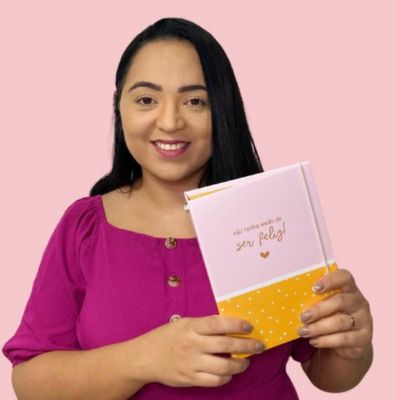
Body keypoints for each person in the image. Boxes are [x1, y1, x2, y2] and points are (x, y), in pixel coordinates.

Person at [2, 17, 373, 399]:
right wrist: (145, 358)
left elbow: (328, 374)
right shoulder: (84, 226)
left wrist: (354, 345)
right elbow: (30, 384)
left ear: (223, 110)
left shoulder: (270, 217)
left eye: (195, 101)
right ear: (119, 107)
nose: (170, 121)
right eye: (146, 100)